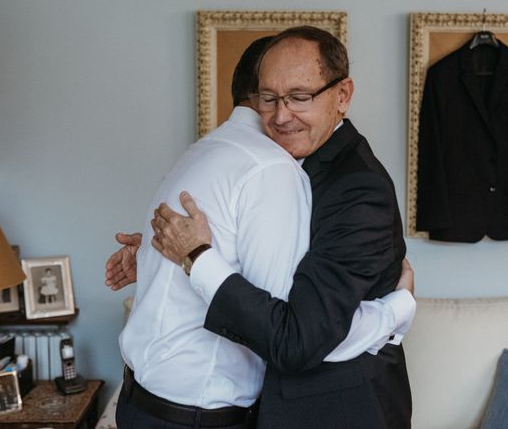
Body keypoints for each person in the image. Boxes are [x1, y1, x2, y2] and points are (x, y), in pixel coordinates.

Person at [109, 36, 415, 429]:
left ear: (342, 95)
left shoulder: (357, 188)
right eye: (269, 99)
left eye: (300, 97)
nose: (281, 116)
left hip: (335, 412)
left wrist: (394, 313)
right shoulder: (275, 163)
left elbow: (299, 339)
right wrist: (159, 260)